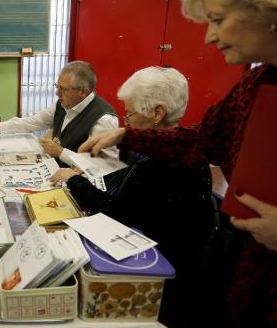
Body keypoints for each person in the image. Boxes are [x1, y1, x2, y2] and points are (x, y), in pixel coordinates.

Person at [79, 0, 277, 327]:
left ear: (267, 8)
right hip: (248, 273)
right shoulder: (256, 84)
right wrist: (126, 134)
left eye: (219, 20)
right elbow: (201, 139)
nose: (209, 35)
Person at [51, 67, 214, 327]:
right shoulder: (167, 147)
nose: (125, 122)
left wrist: (74, 180)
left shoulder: (164, 162)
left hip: (155, 272)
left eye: (130, 114)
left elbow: (114, 212)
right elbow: (121, 179)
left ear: (157, 113)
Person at [0, 60, 119, 163]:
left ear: (83, 92)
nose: (57, 93)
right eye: (57, 86)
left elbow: (102, 165)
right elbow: (34, 121)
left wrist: (61, 152)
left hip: (78, 183)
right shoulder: (63, 104)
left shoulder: (104, 119)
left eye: (63, 89)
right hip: (54, 167)